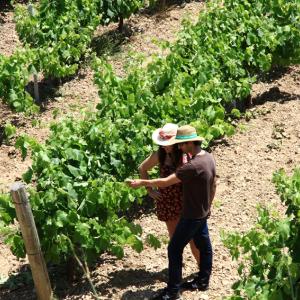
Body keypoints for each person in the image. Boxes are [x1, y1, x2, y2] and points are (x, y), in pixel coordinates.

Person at [127, 125, 216, 300]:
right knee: (200, 244)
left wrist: (143, 183)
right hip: (188, 207)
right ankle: (200, 280)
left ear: (186, 143)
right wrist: (150, 191)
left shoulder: (190, 162)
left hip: (188, 208)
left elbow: (167, 181)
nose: (176, 147)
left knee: (177, 247)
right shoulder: (206, 157)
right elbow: (213, 184)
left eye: (178, 143)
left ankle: (174, 290)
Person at [139, 123, 200, 265]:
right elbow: (142, 168)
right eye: (163, 144)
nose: (165, 147)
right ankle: (176, 268)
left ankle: (201, 268)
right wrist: (150, 191)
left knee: (193, 237)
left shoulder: (187, 154)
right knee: (175, 238)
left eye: (168, 144)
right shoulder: (159, 154)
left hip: (186, 199)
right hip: (167, 200)